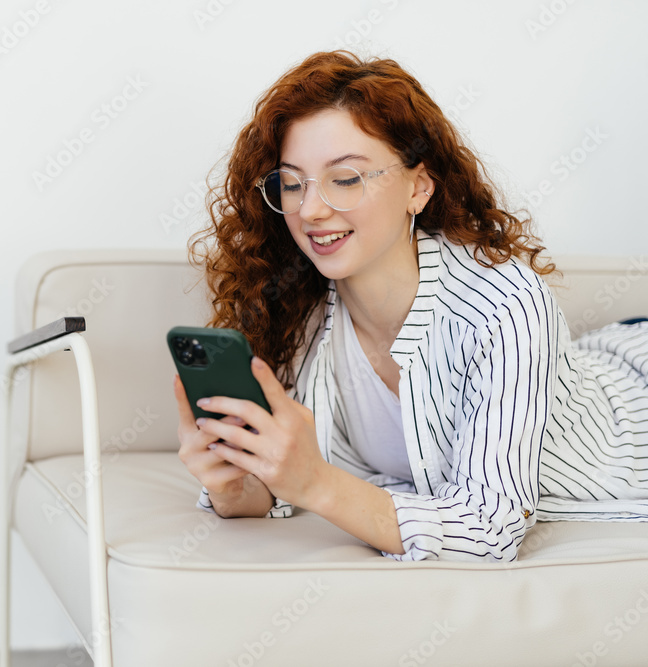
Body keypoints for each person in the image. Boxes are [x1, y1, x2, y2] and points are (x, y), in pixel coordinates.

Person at [173, 50, 648, 562]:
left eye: (346, 178)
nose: (310, 209)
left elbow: (488, 530)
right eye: (292, 183)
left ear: (418, 187)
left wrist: (319, 484)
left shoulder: (505, 302)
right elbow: (275, 489)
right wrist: (230, 484)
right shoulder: (296, 306)